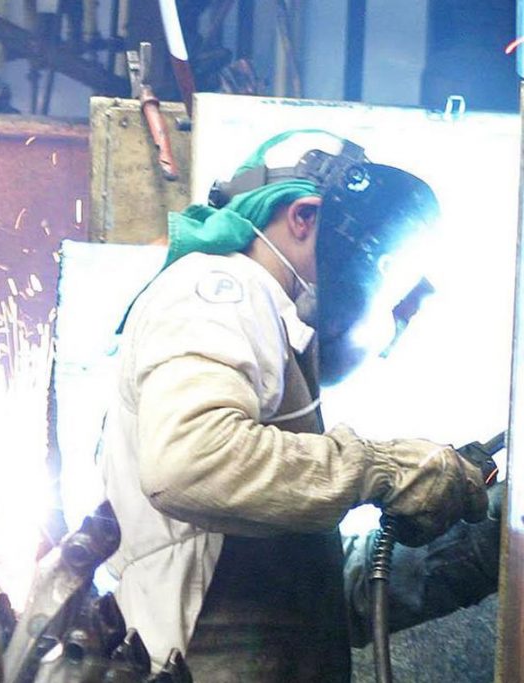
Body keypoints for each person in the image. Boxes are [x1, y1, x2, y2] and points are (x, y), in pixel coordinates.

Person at [99, 130, 489, 681]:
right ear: (304, 217)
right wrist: (378, 468)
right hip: (202, 658)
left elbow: (284, 579)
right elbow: (190, 461)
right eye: (376, 264)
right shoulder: (221, 289)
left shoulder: (273, 328)